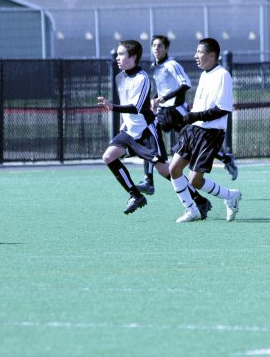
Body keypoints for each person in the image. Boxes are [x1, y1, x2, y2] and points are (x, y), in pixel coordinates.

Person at [98, 39, 211, 218]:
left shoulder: (142, 77)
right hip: (129, 131)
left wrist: (112, 107)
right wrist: (123, 122)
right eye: (117, 54)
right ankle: (135, 195)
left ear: (133, 57)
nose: (117, 58)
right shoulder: (120, 77)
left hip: (146, 130)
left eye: (121, 54)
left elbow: (136, 107)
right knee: (108, 157)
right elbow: (126, 103)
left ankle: (199, 200)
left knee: (164, 170)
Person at [137, 35, 238, 195]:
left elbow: (185, 84)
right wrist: (156, 99)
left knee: (195, 170)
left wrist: (167, 99)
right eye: (154, 46)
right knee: (150, 136)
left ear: (167, 49)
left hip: (178, 112)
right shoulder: (157, 66)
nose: (156, 49)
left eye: (160, 46)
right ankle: (149, 179)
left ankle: (225, 160)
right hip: (168, 113)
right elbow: (163, 89)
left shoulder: (174, 65)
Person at [169, 37, 242, 223]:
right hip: (194, 130)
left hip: (211, 133)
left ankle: (230, 195)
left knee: (194, 180)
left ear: (212, 55)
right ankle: (191, 210)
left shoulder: (223, 75)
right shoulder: (204, 74)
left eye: (200, 52)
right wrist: (190, 118)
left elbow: (222, 109)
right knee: (174, 169)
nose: (196, 56)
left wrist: (195, 116)